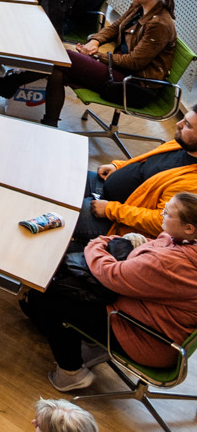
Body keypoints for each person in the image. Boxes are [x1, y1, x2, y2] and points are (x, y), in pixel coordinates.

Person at [26, 191, 197, 393]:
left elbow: (112, 274)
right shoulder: (184, 242)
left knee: (52, 297)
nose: (161, 214)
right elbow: (153, 245)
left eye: (167, 214)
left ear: (189, 228)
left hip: (147, 338)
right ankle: (90, 342)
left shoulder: (173, 264)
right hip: (152, 323)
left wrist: (97, 243)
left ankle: (70, 374)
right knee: (69, 286)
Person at [24, 0, 180, 128]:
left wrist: (97, 56)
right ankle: (49, 124)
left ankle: (10, 83)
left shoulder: (159, 25)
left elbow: (134, 63)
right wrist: (95, 41)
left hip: (135, 84)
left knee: (65, 56)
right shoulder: (139, 5)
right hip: (118, 68)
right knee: (59, 70)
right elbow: (115, 27)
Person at [71, 108, 197, 244]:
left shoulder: (191, 184)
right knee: (65, 179)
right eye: (184, 119)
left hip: (117, 222)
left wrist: (110, 209)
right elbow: (149, 163)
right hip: (106, 192)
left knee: (62, 213)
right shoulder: (183, 144)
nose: (179, 123)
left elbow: (160, 221)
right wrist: (118, 166)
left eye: (188, 125)